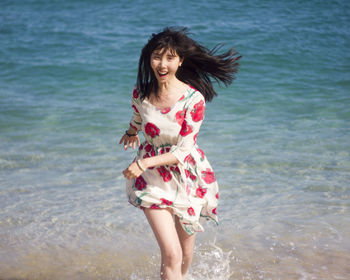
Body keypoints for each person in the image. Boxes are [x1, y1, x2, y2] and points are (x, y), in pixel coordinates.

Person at [119, 27, 240, 280]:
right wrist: (131, 133)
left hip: (187, 177)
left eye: (170, 58)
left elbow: (184, 150)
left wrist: (143, 162)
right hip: (151, 179)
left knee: (184, 256)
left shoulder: (193, 100)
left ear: (180, 61)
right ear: (148, 58)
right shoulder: (140, 93)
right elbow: (138, 119)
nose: (162, 64)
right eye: (157, 57)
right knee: (171, 254)